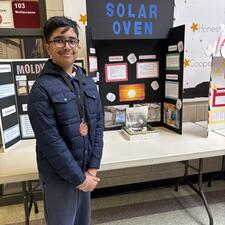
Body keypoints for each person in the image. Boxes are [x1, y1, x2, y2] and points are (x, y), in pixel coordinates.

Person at [28, 16, 104, 225]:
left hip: (86, 170)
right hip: (59, 177)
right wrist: (79, 179)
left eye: (72, 40)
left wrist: (92, 168)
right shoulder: (41, 89)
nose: (67, 46)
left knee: (82, 222)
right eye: (59, 40)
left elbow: (98, 127)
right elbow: (50, 142)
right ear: (47, 47)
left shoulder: (87, 82)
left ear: (78, 45)